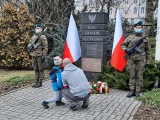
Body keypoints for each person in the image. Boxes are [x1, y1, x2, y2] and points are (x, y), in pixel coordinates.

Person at [121, 21, 150, 97]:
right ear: (134, 28)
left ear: (142, 28)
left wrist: (147, 61)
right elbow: (122, 45)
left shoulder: (145, 38)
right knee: (132, 75)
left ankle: (137, 91)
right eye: (137, 28)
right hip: (131, 59)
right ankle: (131, 90)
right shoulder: (130, 37)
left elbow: (148, 51)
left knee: (139, 76)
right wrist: (127, 50)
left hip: (141, 60)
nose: (138, 29)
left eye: (139, 28)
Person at [27, 23, 48, 88]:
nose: (37, 29)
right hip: (33, 55)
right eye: (36, 28)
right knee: (35, 69)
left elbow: (45, 47)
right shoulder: (34, 36)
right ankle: (36, 81)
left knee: (40, 69)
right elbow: (30, 43)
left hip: (39, 55)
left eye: (38, 28)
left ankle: (40, 82)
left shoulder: (42, 37)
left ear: (41, 29)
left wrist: (44, 56)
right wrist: (29, 47)